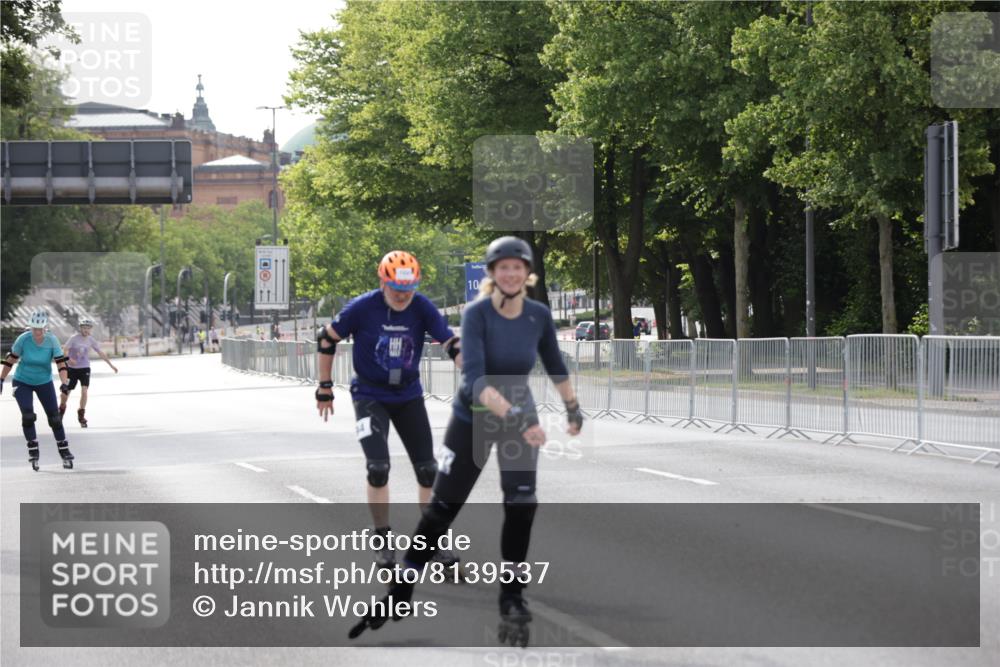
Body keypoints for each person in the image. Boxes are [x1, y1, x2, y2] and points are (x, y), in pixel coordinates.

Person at [349, 237, 585, 647]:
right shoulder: (477, 315)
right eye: (503, 268)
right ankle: (404, 583)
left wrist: (571, 407)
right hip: (473, 419)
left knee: (522, 504)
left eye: (518, 267)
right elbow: (475, 381)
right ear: (492, 274)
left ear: (527, 274)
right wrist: (517, 418)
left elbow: (554, 362)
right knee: (442, 509)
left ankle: (512, 595)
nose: (511, 274)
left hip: (517, 418)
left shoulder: (538, 315)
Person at [315, 250, 463, 571]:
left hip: (408, 396)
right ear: (383, 281)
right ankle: (382, 542)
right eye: (395, 287)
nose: (401, 295)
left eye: (408, 289)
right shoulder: (363, 307)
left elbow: (451, 343)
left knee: (427, 471)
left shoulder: (422, 307)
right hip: (369, 395)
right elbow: (326, 339)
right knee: (378, 468)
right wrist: (324, 387)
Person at [0, 308, 75, 470]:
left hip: (44, 381)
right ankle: (33, 449)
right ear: (31, 327)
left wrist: (64, 383)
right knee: (28, 415)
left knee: (54, 417)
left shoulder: (52, 340)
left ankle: (64, 450)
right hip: (22, 381)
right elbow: (10, 360)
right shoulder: (23, 339)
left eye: (40, 329)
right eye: (35, 329)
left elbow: (61, 363)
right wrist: (1, 379)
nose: (37, 332)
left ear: (45, 327)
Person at [59, 317, 118, 427]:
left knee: (84, 390)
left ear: (91, 329)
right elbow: (65, 350)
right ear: (80, 328)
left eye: (88, 328)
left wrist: (111, 365)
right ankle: (61, 409)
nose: (86, 330)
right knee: (66, 393)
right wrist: (69, 359)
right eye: (84, 328)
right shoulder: (74, 338)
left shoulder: (91, 340)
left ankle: (81, 414)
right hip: (72, 369)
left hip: (85, 368)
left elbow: (100, 352)